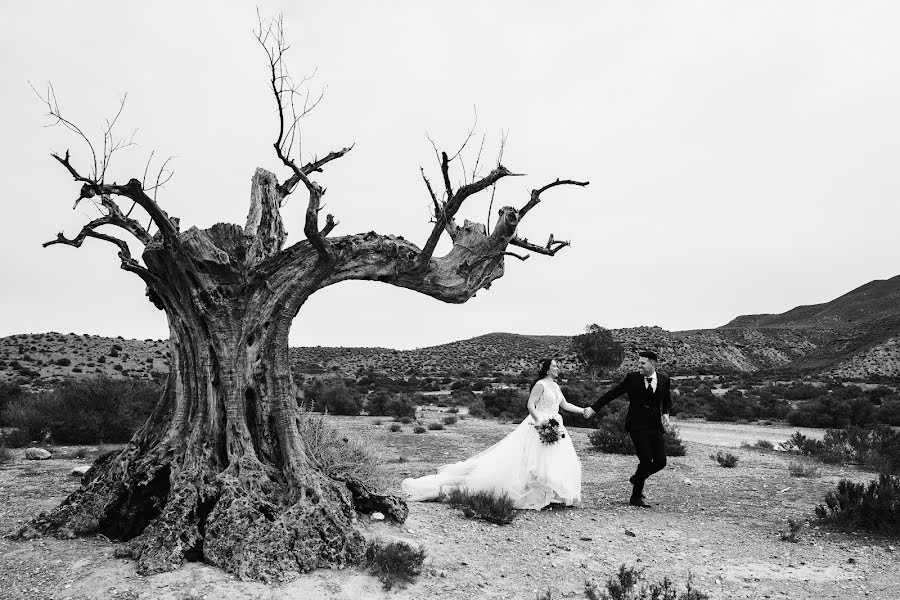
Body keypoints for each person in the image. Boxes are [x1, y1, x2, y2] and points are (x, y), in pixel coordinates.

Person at [401, 358, 587, 510]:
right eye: (555, 366)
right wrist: (540, 421)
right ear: (547, 369)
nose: (558, 368)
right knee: (531, 460)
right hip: (540, 424)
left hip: (555, 424)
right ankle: (535, 493)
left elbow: (564, 405)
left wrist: (584, 410)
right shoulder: (540, 385)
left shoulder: (555, 386)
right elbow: (530, 405)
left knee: (552, 460)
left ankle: (551, 493)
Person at [583, 350, 672, 508]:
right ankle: (635, 497)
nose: (639, 365)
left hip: (655, 426)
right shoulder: (632, 378)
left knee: (660, 461)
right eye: (639, 362)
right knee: (645, 460)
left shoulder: (664, 379)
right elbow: (613, 393)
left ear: (653, 364)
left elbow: (667, 400)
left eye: (643, 363)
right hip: (637, 425)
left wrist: (666, 413)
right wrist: (594, 408)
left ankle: (636, 478)